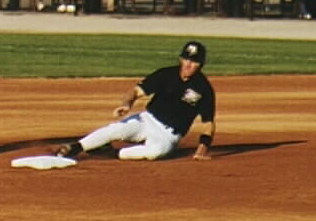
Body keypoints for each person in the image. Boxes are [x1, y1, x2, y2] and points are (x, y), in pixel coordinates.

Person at [54, 41, 216, 161]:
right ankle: (75, 147)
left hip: (168, 134)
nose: (188, 64)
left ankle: (111, 153)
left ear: (201, 64)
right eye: (186, 59)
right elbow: (136, 91)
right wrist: (127, 104)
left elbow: (208, 123)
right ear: (180, 59)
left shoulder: (204, 88)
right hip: (147, 120)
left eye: (194, 61)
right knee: (115, 129)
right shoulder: (165, 74)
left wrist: (203, 148)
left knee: (157, 152)